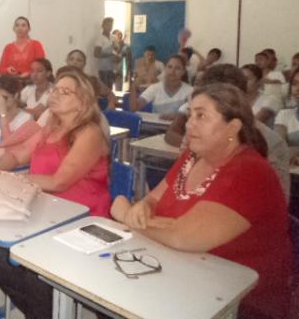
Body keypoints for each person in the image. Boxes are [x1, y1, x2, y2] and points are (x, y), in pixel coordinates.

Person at [111, 83, 291, 319]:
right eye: (190, 114)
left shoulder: (250, 171)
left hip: (236, 302)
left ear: (233, 127)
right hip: (176, 274)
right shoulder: (192, 157)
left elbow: (182, 236)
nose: (188, 123)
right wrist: (144, 207)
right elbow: (153, 200)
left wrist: (126, 214)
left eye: (201, 116)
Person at [0, 68, 111, 319]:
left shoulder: (89, 133)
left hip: (81, 218)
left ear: (82, 101)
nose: (56, 95)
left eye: (66, 92)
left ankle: (47, 311)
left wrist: (11, 179)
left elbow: (59, 181)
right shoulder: (50, 127)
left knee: (30, 265)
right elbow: (18, 154)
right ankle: (45, 312)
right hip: (46, 210)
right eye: (56, 90)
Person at [164, 64, 291, 202]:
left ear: (241, 100)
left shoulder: (271, 143)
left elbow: (275, 203)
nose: (190, 124)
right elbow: (177, 188)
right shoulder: (198, 132)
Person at [0, 75, 38, 147]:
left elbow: (9, 146)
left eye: (4, 98)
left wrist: (3, 115)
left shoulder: (26, 119)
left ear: (15, 96)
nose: (0, 102)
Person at [241, 64, 282, 128]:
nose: (243, 82)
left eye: (247, 79)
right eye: (241, 78)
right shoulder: (235, 99)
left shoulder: (270, 100)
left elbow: (254, 124)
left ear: (259, 81)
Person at [275, 67, 299, 166]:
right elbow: (279, 151)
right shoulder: (284, 115)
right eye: (294, 84)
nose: (297, 89)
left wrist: (293, 149)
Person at [94, 17, 115, 88]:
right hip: (103, 68)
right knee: (104, 88)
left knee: (110, 88)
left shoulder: (113, 37)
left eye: (111, 25)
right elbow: (96, 54)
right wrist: (109, 54)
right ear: (103, 26)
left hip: (111, 67)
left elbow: (116, 50)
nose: (109, 27)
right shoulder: (100, 38)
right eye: (108, 25)